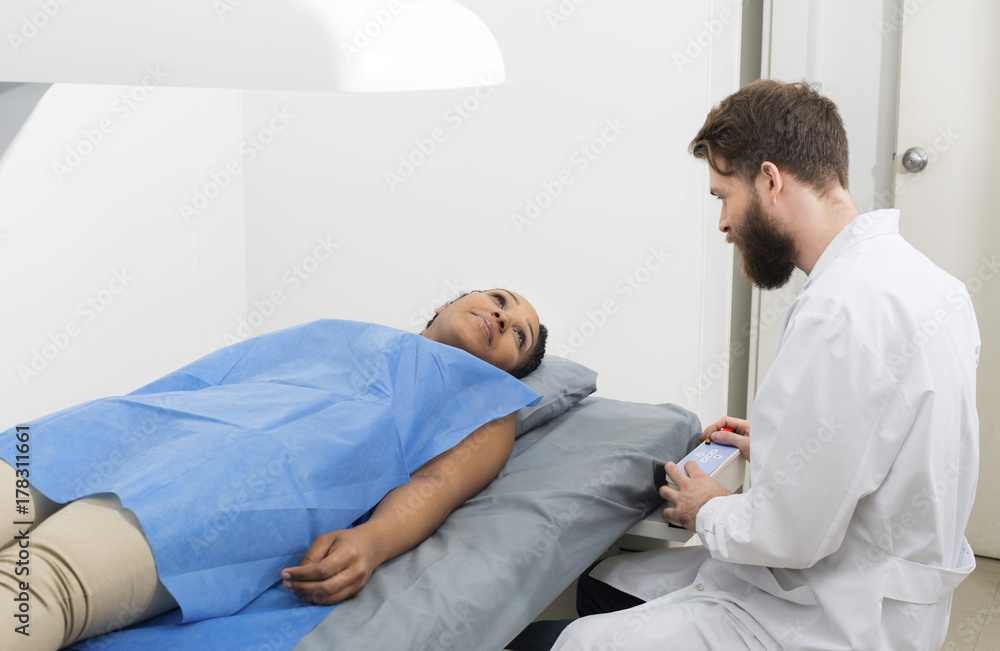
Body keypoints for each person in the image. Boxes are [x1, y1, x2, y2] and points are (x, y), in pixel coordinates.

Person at [511, 80, 980, 650]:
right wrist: (788, 444)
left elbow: (792, 534)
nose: (723, 224)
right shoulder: (932, 286)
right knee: (607, 586)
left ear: (770, 179)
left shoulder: (835, 315)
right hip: (885, 596)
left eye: (721, 196)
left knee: (548, 642)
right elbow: (892, 435)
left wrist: (706, 508)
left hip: (831, 616)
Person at [0, 289, 548, 651]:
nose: (502, 317)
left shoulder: (487, 405)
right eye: (500, 300)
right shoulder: (343, 332)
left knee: (37, 584)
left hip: (225, 488)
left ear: (510, 372)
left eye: (518, 335)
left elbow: (439, 485)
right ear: (450, 301)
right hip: (116, 435)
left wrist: (374, 542)